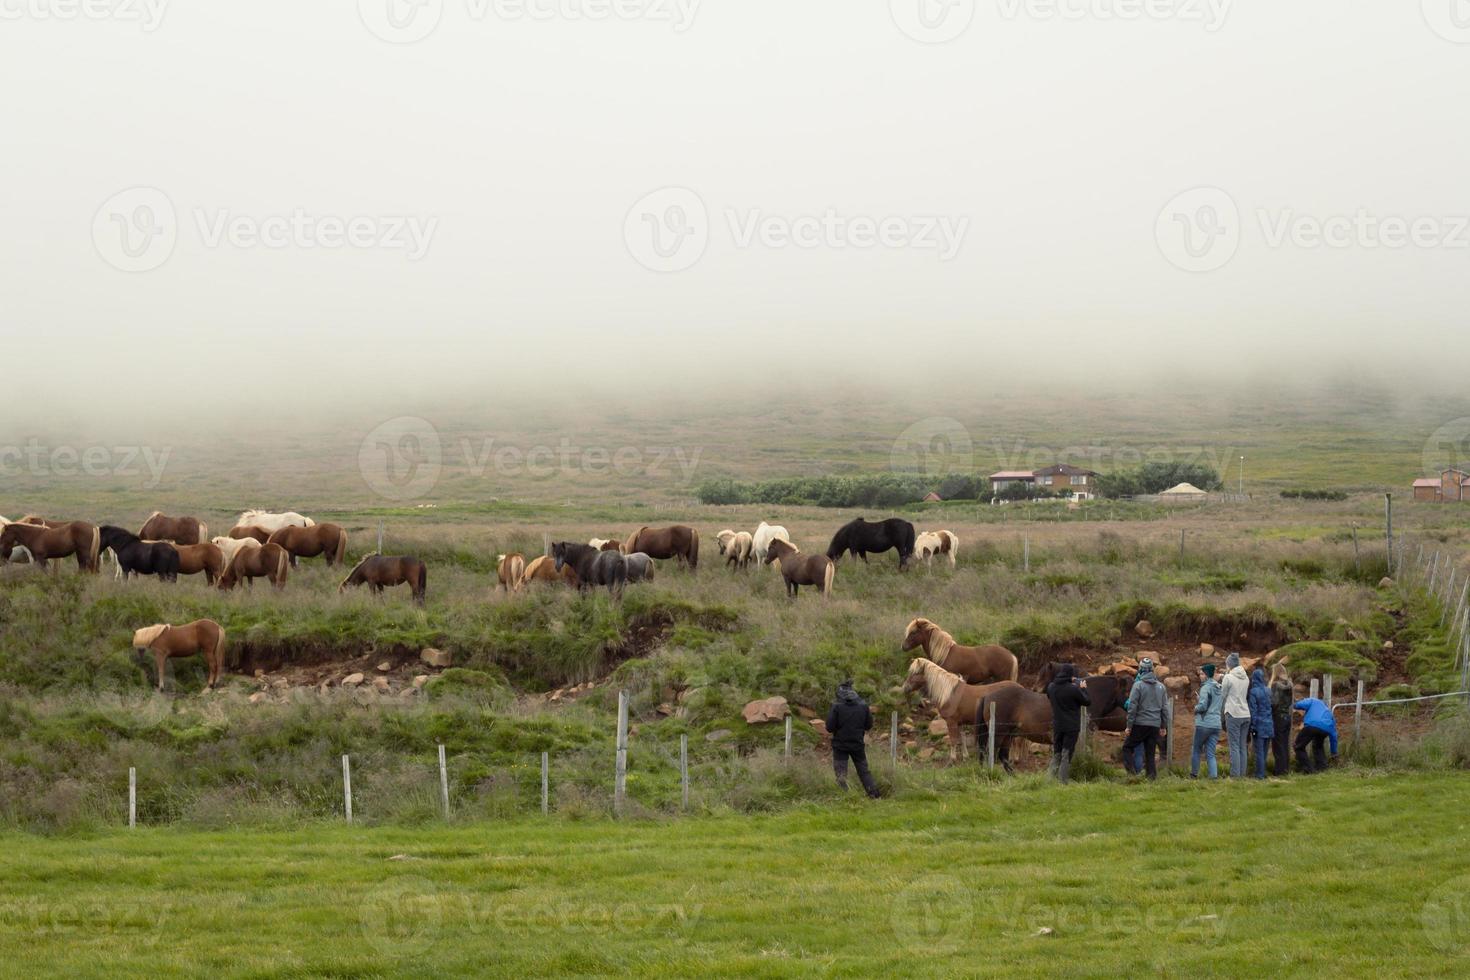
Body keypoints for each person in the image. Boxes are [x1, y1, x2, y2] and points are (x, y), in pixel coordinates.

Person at [826, 679, 879, 798]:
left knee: (841, 774)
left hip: (840, 745)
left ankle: (846, 797)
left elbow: (829, 727)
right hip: (857, 744)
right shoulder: (863, 706)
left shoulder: (836, 706)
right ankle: (874, 795)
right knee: (864, 771)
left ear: (839, 693)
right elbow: (869, 725)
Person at [1122, 658, 1168, 779]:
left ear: (1140, 670)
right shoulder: (1161, 687)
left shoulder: (1138, 685)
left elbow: (1132, 707)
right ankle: (1151, 778)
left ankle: (1132, 775)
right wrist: (1163, 726)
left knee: (1127, 747)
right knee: (1150, 753)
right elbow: (1165, 709)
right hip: (1155, 725)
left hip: (1140, 724)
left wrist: (1129, 726)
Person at [1045, 663, 1090, 783]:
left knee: (1057, 753)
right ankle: (1063, 781)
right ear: (1071, 675)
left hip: (1057, 725)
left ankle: (1049, 779)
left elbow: (1050, 696)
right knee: (1066, 753)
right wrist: (1083, 688)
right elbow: (1087, 701)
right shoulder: (1073, 689)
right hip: (1071, 727)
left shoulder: (1051, 687)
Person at [1220, 653, 1251, 778]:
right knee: (1242, 746)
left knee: (1234, 746)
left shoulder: (1228, 677)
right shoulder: (1246, 678)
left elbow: (1223, 695)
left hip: (1233, 713)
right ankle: (1242, 774)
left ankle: (1235, 776)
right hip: (1246, 713)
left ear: (1229, 664)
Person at [1190, 663, 1222, 779]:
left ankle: (1193, 775)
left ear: (1207, 674)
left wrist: (1195, 708)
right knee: (1211, 753)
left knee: (1196, 749)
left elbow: (1203, 707)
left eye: (1202, 673)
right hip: (1216, 724)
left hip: (1204, 723)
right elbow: (1214, 703)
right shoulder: (1219, 687)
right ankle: (1213, 776)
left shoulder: (1205, 687)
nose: (1200, 676)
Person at [1292, 695, 1338, 774]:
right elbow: (1334, 735)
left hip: (1312, 725)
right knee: (1318, 746)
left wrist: (1294, 704)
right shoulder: (1328, 711)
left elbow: (1299, 705)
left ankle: (1309, 769)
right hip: (1325, 729)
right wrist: (1334, 752)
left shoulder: (1312, 700)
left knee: (1298, 747)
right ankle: (1322, 768)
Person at [1247, 668, 1275, 779]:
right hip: (1269, 724)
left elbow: (1253, 711)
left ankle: (1259, 775)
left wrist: (1253, 726)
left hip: (1259, 724)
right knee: (1264, 751)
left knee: (1259, 751)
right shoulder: (1268, 691)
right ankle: (1262, 773)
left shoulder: (1253, 692)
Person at [1268, 663, 1294, 776]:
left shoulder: (1275, 685)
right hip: (1287, 716)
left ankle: (1280, 771)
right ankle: (1285, 769)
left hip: (1278, 717)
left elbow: (1274, 703)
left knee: (1278, 745)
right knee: (1284, 744)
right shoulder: (1289, 685)